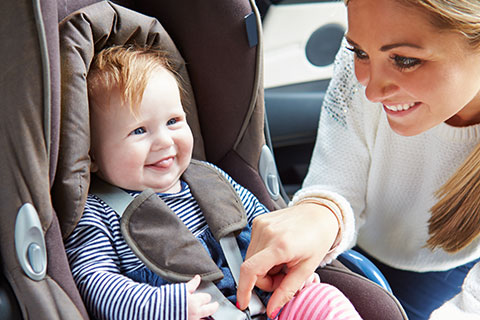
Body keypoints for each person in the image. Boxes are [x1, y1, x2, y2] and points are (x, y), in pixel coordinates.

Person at [64, 45, 362, 320]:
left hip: (266, 302)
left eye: (173, 122)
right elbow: (97, 285)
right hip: (183, 310)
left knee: (324, 299)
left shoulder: (210, 177)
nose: (164, 141)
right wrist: (165, 306)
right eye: (139, 131)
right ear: (91, 154)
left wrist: (286, 264)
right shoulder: (97, 213)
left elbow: (266, 226)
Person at [236, 0, 480, 319]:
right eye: (360, 53)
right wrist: (318, 212)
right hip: (352, 238)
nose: (372, 93)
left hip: (442, 272)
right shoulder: (363, 67)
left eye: (405, 60)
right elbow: (337, 175)